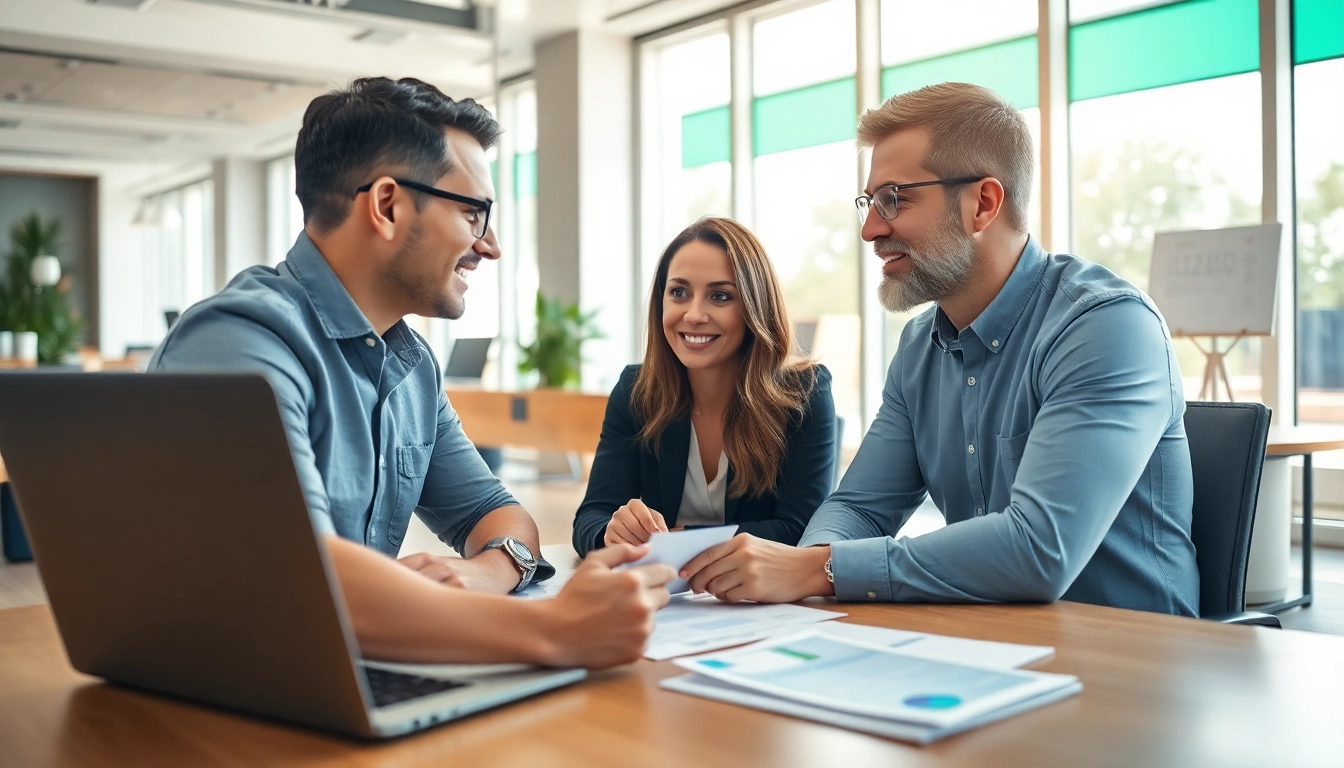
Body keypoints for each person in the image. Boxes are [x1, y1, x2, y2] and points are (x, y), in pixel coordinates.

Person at [151, 77, 673, 667]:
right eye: (474, 212)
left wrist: (485, 574)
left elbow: (499, 517)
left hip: (335, 672)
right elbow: (297, 575)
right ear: (388, 205)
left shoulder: (409, 366)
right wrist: (553, 629)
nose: (490, 245)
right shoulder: (239, 341)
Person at [679, 82, 1199, 616]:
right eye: (869, 202)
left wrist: (818, 569)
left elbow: (1040, 550)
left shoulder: (1106, 327)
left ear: (983, 204)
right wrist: (800, 569)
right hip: (991, 648)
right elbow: (859, 507)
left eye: (893, 200)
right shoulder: (919, 347)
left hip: (1130, 663)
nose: (870, 229)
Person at [573, 217, 836, 557]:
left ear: (755, 307)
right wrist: (611, 533)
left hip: (760, 602)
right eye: (679, 292)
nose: (694, 314)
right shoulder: (636, 390)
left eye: (720, 296)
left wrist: (680, 540)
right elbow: (590, 518)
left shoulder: (805, 393)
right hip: (661, 600)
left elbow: (798, 530)